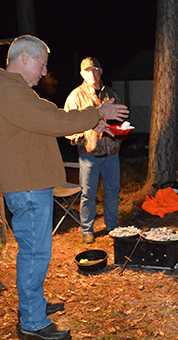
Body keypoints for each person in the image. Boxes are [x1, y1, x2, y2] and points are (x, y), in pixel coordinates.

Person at [0, 35, 129, 340]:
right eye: (42, 64)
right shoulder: (10, 92)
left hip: (30, 181)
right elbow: (50, 121)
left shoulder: (17, 91)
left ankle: (32, 306)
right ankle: (33, 320)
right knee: (36, 252)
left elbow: (51, 116)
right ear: (25, 58)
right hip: (26, 185)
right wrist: (96, 114)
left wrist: (91, 123)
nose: (44, 71)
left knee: (34, 250)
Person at [64, 57, 123, 244]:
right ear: (82, 74)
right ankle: (87, 229)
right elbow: (67, 127)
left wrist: (120, 131)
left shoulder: (111, 94)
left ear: (101, 72)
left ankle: (112, 225)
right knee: (88, 194)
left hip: (112, 153)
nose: (92, 74)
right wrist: (85, 133)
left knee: (112, 191)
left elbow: (121, 119)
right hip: (89, 155)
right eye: (88, 71)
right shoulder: (75, 97)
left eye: (95, 70)